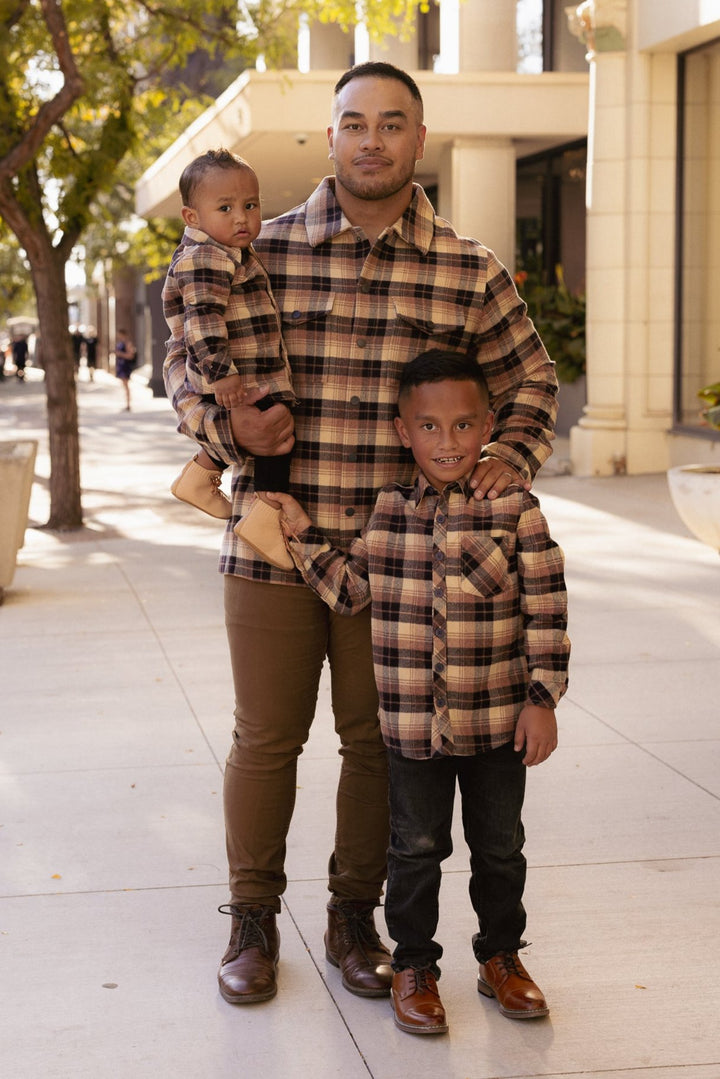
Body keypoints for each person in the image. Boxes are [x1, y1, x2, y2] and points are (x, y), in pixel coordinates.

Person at [162, 61, 559, 1008]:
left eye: (392, 123)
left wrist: (505, 457)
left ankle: (353, 917)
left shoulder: (468, 267)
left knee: (378, 744)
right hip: (275, 541)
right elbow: (184, 358)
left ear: (419, 141)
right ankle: (252, 920)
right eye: (353, 123)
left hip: (400, 568)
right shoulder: (263, 247)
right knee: (265, 736)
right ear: (331, 135)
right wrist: (228, 430)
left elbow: (531, 381)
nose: (371, 139)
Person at [270, 350, 569, 1035]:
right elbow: (352, 588)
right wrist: (299, 535)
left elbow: (547, 607)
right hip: (412, 730)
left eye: (465, 425)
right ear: (403, 430)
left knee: (500, 848)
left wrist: (543, 698)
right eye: (429, 426)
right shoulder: (389, 512)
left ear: (489, 424)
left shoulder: (515, 508)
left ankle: (502, 957)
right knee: (415, 850)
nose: (448, 441)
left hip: (497, 723)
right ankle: (414, 964)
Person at [164, 149, 296, 569]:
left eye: (250, 205)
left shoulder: (230, 252)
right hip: (229, 373)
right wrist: (222, 376)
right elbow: (201, 318)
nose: (242, 217)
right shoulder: (206, 258)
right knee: (278, 432)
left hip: (245, 371)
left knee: (274, 428)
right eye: (225, 208)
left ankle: (202, 475)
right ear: (192, 217)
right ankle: (265, 516)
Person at [114, 328, 137, 411]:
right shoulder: (120, 343)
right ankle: (126, 403)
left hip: (125, 366)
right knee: (124, 385)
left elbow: (131, 356)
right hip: (121, 366)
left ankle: (128, 404)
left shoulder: (127, 343)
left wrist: (120, 354)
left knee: (126, 386)